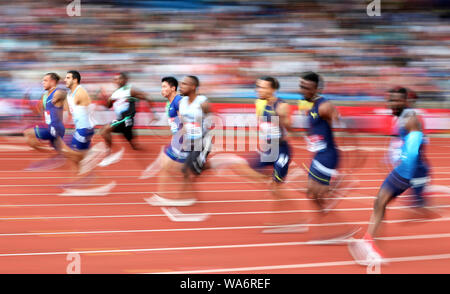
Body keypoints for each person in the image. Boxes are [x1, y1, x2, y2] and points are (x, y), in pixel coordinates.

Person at [348, 109, 429, 265]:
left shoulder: (415, 136)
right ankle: (370, 242)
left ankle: (369, 243)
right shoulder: (413, 134)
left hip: (400, 175)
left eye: (409, 119)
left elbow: (411, 155)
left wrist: (401, 160)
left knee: (379, 204)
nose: (405, 121)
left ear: (415, 123)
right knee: (380, 204)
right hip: (402, 175)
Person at [299, 71, 358, 240]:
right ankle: (334, 227)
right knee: (312, 194)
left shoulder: (324, 106)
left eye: (307, 88)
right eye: (301, 86)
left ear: (317, 89)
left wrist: (353, 149)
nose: (302, 90)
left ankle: (339, 188)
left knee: (318, 194)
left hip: (327, 156)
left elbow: (342, 124)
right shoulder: (310, 105)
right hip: (318, 155)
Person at [145, 75, 212, 207]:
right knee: (179, 169)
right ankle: (184, 196)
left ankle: (170, 196)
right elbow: (178, 123)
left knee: (176, 168)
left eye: (164, 87)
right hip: (183, 140)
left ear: (172, 88)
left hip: (190, 142)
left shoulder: (179, 101)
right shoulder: (174, 103)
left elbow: (197, 118)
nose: (162, 90)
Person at [98, 72, 153, 166]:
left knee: (104, 130)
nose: (117, 81)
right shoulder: (115, 93)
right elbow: (108, 106)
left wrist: (152, 113)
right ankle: (147, 154)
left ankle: (109, 155)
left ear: (125, 80)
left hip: (126, 119)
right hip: (122, 120)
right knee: (134, 146)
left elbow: (145, 97)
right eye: (115, 79)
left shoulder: (129, 90)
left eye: (119, 79)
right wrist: (106, 99)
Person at [55, 70, 104, 175]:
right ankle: (81, 171)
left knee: (67, 150)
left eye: (68, 78)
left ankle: (90, 156)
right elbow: (68, 111)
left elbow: (89, 106)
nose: (65, 80)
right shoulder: (69, 94)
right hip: (80, 128)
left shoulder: (81, 92)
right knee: (74, 155)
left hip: (85, 129)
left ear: (75, 80)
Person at [24, 73, 66, 152]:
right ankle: (55, 153)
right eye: (43, 81)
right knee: (62, 152)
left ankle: (51, 152)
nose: (43, 82)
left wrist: (59, 97)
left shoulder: (58, 92)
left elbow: (63, 94)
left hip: (55, 128)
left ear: (53, 82)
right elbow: (38, 111)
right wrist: (28, 103)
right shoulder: (44, 96)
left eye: (45, 80)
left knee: (28, 133)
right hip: (49, 126)